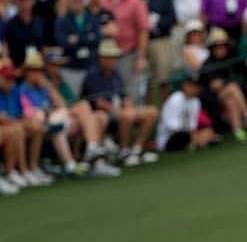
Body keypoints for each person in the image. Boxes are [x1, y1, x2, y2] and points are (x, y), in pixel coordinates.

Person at [80, 38, 159, 166]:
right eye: (109, 57)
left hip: (119, 109)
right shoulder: (92, 75)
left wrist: (127, 102)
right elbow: (98, 102)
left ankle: (136, 149)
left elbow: (122, 95)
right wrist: (118, 109)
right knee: (127, 115)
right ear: (101, 58)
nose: (112, 60)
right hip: (103, 113)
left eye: (114, 57)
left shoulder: (115, 73)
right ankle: (124, 151)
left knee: (152, 112)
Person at [42, 49, 121, 177]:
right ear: (47, 66)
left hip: (69, 118)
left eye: (59, 64)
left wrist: (72, 111)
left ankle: (95, 161)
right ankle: (90, 151)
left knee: (100, 117)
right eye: (54, 64)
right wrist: (50, 87)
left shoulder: (60, 81)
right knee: (83, 106)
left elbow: (72, 101)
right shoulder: (44, 83)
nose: (58, 67)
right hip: (55, 123)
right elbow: (60, 105)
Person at [101, 0, 151, 102]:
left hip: (127, 53)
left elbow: (144, 30)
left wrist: (140, 57)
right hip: (107, 54)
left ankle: (132, 115)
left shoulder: (136, 2)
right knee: (107, 89)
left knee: (129, 90)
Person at [55, 0, 102, 95]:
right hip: (71, 69)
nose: (77, 4)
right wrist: (86, 39)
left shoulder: (92, 19)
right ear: (68, 1)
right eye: (74, 1)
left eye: (80, 0)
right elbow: (63, 43)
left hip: (90, 67)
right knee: (73, 101)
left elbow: (97, 40)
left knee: (92, 100)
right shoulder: (62, 22)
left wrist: (77, 39)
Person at [156, 72, 216, 151]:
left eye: (197, 86)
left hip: (185, 134)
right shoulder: (175, 99)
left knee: (208, 131)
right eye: (192, 85)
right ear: (185, 85)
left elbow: (192, 124)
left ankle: (196, 142)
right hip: (168, 138)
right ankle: (197, 142)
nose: (195, 88)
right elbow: (171, 126)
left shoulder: (196, 102)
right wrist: (191, 134)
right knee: (184, 136)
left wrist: (193, 133)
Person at [4, 0, 46, 67]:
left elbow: (44, 47)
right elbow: (6, 50)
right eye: (21, 0)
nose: (24, 4)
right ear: (16, 2)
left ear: (32, 1)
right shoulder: (10, 25)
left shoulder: (39, 21)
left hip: (38, 66)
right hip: (19, 68)